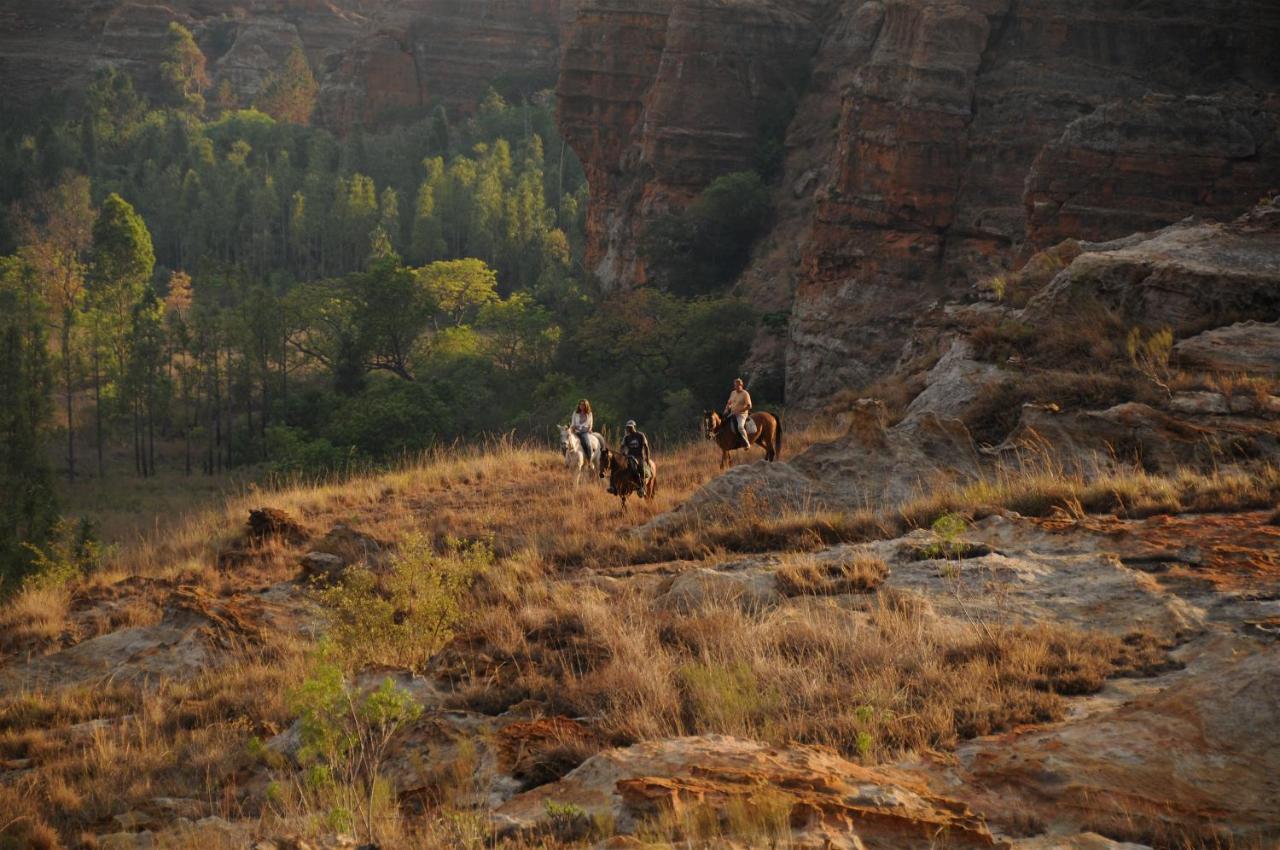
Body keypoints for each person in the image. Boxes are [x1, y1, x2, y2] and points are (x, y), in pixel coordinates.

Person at [615, 419, 651, 494]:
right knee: (620, 469)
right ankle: (615, 486)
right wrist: (622, 452)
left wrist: (647, 457)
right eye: (628, 427)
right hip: (629, 457)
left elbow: (646, 446)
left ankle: (641, 486)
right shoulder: (626, 437)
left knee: (640, 468)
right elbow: (622, 447)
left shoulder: (640, 435)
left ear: (634, 427)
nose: (629, 429)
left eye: (630, 427)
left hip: (639, 456)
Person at [723, 378, 752, 449]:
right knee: (723, 423)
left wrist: (739, 411)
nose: (736, 387)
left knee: (740, 427)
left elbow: (749, 406)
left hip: (742, 414)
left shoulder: (745, 394)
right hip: (732, 413)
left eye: (737, 385)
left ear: (741, 385)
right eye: (735, 385)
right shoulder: (733, 393)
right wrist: (726, 409)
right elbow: (729, 403)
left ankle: (747, 443)